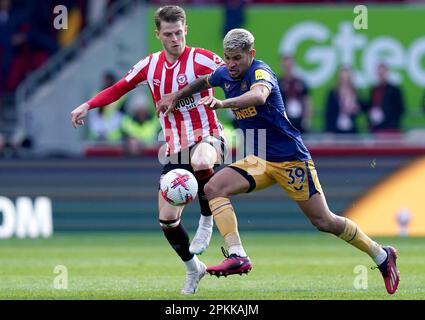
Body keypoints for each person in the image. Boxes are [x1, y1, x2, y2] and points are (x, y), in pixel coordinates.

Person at [157, 28, 400, 295]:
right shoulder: (225, 72)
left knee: (324, 221)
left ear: (251, 54)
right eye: (227, 58)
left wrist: (225, 105)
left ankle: (381, 254)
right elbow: (204, 81)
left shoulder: (261, 72)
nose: (231, 64)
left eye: (237, 58)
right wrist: (175, 96)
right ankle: (237, 254)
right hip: (260, 159)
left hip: (290, 160)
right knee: (214, 187)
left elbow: (259, 96)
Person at [70, 5, 228, 295]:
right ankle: (194, 268)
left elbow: (231, 75)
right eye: (168, 34)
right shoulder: (149, 66)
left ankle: (207, 220)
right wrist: (87, 105)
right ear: (158, 35)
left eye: (179, 32)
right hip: (174, 149)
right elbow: (118, 88)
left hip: (208, 136)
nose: (175, 39)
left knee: (202, 159)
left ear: (185, 30)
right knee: (167, 219)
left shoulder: (203, 60)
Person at [365, 63, 405, 134]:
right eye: (379, 73)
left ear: (387, 73)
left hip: (390, 127)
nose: (381, 75)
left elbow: (400, 108)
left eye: (382, 73)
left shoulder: (395, 90)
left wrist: (385, 115)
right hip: (377, 127)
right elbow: (371, 106)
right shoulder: (374, 89)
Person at [278, 54, 312, 133]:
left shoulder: (300, 82)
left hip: (300, 120)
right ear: (282, 66)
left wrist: (307, 119)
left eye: (289, 65)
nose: (288, 68)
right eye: (285, 66)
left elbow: (307, 100)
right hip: (285, 119)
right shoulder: (278, 83)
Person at [325, 66, 361, 134]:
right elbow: (329, 112)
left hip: (351, 129)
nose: (345, 80)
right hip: (336, 129)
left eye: (346, 77)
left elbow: (361, 107)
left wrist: (356, 110)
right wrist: (329, 130)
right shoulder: (333, 92)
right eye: (343, 77)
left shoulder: (355, 92)